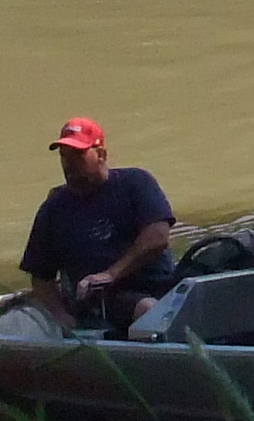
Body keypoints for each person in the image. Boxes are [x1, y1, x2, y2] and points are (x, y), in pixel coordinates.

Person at [22, 117, 174, 329]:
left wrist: (111, 274)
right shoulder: (53, 208)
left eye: (78, 155)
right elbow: (41, 276)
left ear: (101, 154)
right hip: (102, 302)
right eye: (64, 156)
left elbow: (158, 236)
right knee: (149, 310)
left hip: (164, 287)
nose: (69, 164)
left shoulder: (136, 183)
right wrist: (59, 315)